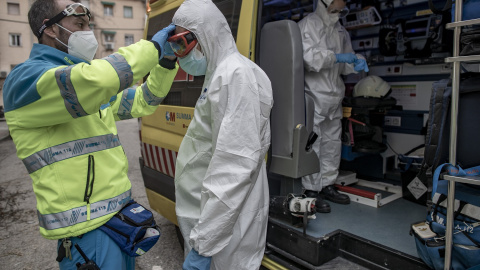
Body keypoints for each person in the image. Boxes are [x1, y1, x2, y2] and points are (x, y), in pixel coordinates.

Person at [2, 0, 178, 269]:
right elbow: (97, 80)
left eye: (89, 25)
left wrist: (166, 62)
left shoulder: (85, 87)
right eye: (80, 25)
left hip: (119, 224)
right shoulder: (27, 79)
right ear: (50, 29)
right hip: (86, 235)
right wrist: (152, 48)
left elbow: (145, 100)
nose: (89, 34)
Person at [169, 0, 274, 269]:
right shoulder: (219, 74)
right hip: (213, 225)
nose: (180, 55)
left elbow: (235, 165)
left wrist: (204, 247)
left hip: (226, 229)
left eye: (182, 43)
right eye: (174, 45)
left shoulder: (236, 75)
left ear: (205, 34)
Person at [298, 0, 369, 213]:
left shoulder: (340, 31)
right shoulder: (307, 25)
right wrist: (336, 57)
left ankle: (328, 185)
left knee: (332, 142)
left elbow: (346, 64)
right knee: (314, 143)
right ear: (322, 3)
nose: (337, 14)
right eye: (334, 9)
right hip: (314, 95)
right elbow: (309, 59)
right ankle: (311, 191)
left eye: (341, 10)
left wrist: (356, 60)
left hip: (334, 96)